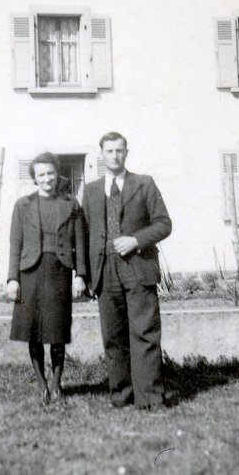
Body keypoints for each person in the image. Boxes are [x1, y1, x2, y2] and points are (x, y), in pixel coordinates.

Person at [82, 132, 172, 409]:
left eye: (119, 150)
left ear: (126, 152)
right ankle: (121, 395)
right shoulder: (91, 190)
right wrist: (84, 274)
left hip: (138, 266)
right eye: (109, 151)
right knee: (113, 335)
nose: (114, 156)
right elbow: (84, 233)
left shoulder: (144, 184)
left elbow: (163, 224)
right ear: (102, 155)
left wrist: (136, 240)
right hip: (104, 269)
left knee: (144, 332)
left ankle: (149, 398)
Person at [6, 152, 87, 403]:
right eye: (41, 174)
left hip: (59, 271)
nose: (47, 178)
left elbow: (80, 243)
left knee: (57, 331)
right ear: (34, 178)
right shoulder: (22, 205)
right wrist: (12, 279)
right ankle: (41, 384)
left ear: (57, 174)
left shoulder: (70, 204)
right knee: (33, 331)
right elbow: (15, 244)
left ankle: (57, 384)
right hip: (30, 272)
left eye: (51, 173)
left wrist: (80, 275)